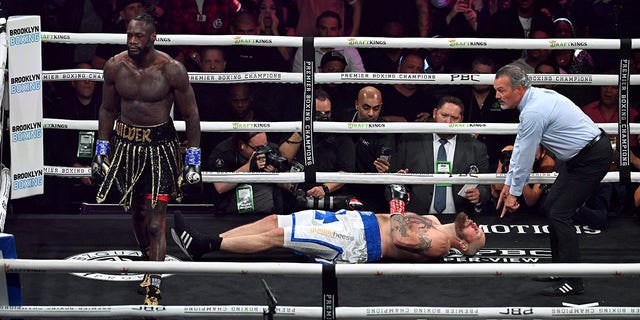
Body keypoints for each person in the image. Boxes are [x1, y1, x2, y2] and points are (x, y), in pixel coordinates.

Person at [91, 13, 202, 305]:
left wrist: (193, 159)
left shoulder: (171, 70)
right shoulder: (115, 66)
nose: (132, 41)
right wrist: (101, 151)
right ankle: (146, 258)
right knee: (138, 213)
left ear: (153, 37)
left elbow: (191, 114)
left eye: (139, 36)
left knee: (156, 222)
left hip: (160, 149)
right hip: (125, 146)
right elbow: (106, 109)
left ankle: (154, 281)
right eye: (129, 35)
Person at [494, 64, 613, 296]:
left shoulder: (534, 111)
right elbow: (520, 146)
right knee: (552, 208)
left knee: (560, 213)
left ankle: (574, 282)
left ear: (519, 89)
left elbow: (526, 155)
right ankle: (559, 268)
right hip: (579, 157)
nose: (497, 96)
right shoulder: (535, 98)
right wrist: (509, 184)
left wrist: (515, 193)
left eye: (501, 90)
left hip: (592, 157)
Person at [171, 184, 486, 263]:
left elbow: (402, 240)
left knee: (279, 235)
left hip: (356, 243)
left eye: (476, 233)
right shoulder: (432, 220)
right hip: (354, 222)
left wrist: (397, 211)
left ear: (462, 244)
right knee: (272, 220)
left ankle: (206, 246)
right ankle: (206, 238)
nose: (475, 225)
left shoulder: (442, 244)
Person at [396, 95, 490, 214]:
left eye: (454, 118)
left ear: (461, 119)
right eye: (444, 116)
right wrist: (400, 178)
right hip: (417, 216)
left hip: (460, 218)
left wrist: (479, 195)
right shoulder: (411, 141)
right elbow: (396, 176)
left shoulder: (476, 147)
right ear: (435, 113)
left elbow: (486, 186)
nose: (448, 122)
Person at [279, 89, 356, 208]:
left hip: (327, 198)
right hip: (295, 197)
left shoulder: (341, 136)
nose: (323, 118)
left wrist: (324, 188)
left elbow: (346, 172)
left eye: (327, 113)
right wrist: (304, 129)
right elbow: (283, 158)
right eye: (319, 114)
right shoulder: (296, 129)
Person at [460, 55, 519, 172]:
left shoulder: (504, 97)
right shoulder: (460, 96)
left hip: (498, 160)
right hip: (464, 157)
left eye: (485, 75)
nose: (480, 78)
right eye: (477, 73)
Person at [207, 131, 288, 214]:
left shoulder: (271, 149)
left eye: (265, 146)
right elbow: (220, 187)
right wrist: (248, 167)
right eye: (258, 148)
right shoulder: (223, 152)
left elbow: (286, 185)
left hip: (268, 205)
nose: (263, 151)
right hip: (234, 207)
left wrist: (275, 173)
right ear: (242, 145)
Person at [350, 86, 396, 212]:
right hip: (341, 189)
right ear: (356, 105)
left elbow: (386, 159)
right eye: (366, 107)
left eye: (376, 108)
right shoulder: (343, 119)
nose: (371, 113)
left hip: (371, 193)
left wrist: (385, 169)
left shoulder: (385, 132)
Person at [291, 10, 365, 73]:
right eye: (323, 28)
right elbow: (297, 82)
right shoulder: (304, 50)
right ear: (318, 29)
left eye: (333, 29)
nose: (328, 34)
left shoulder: (349, 49)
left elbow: (360, 78)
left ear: (339, 30)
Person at [379, 51, 437, 122]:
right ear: (399, 68)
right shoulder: (382, 94)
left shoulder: (428, 97)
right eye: (410, 67)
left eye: (419, 69)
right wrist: (386, 119)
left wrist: (430, 118)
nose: (414, 72)